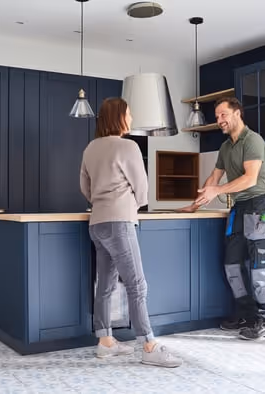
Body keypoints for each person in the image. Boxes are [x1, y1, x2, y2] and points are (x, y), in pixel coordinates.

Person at [79, 97, 182, 368]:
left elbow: (85, 188)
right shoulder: (128, 146)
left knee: (105, 285)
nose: (132, 118)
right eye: (129, 113)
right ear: (119, 117)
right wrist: (127, 206)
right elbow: (143, 190)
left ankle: (105, 342)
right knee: (137, 285)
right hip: (119, 222)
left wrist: (103, 202)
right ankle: (149, 345)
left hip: (97, 223)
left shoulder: (90, 148)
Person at [178, 96, 265, 340]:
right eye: (217, 117)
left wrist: (219, 190)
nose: (219, 120)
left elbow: (250, 179)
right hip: (239, 208)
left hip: (258, 207)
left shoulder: (252, 140)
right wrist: (197, 203)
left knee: (260, 268)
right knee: (232, 265)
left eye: (223, 115)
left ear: (237, 113)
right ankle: (246, 315)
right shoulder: (226, 147)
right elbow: (214, 177)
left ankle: (264, 321)